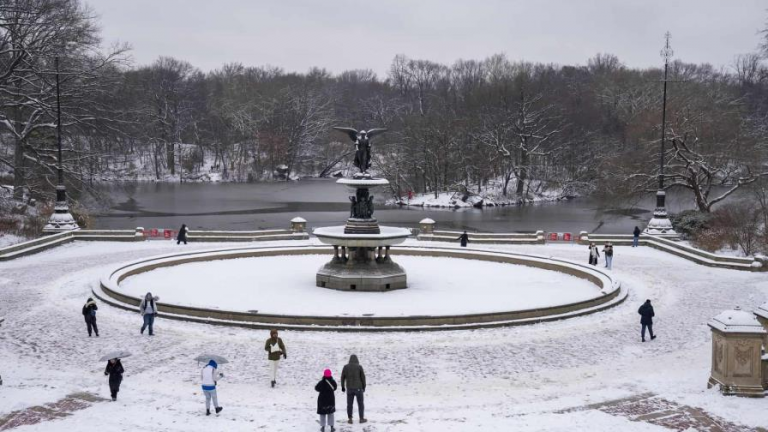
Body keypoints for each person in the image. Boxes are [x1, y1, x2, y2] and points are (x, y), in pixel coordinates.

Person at [341, 354, 367, 424]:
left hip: (349, 388)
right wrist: (364, 386)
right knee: (360, 404)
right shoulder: (359, 367)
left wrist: (342, 386)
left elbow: (342, 377)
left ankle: (350, 419)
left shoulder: (345, 367)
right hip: (358, 388)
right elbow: (363, 378)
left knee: (349, 404)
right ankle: (361, 418)